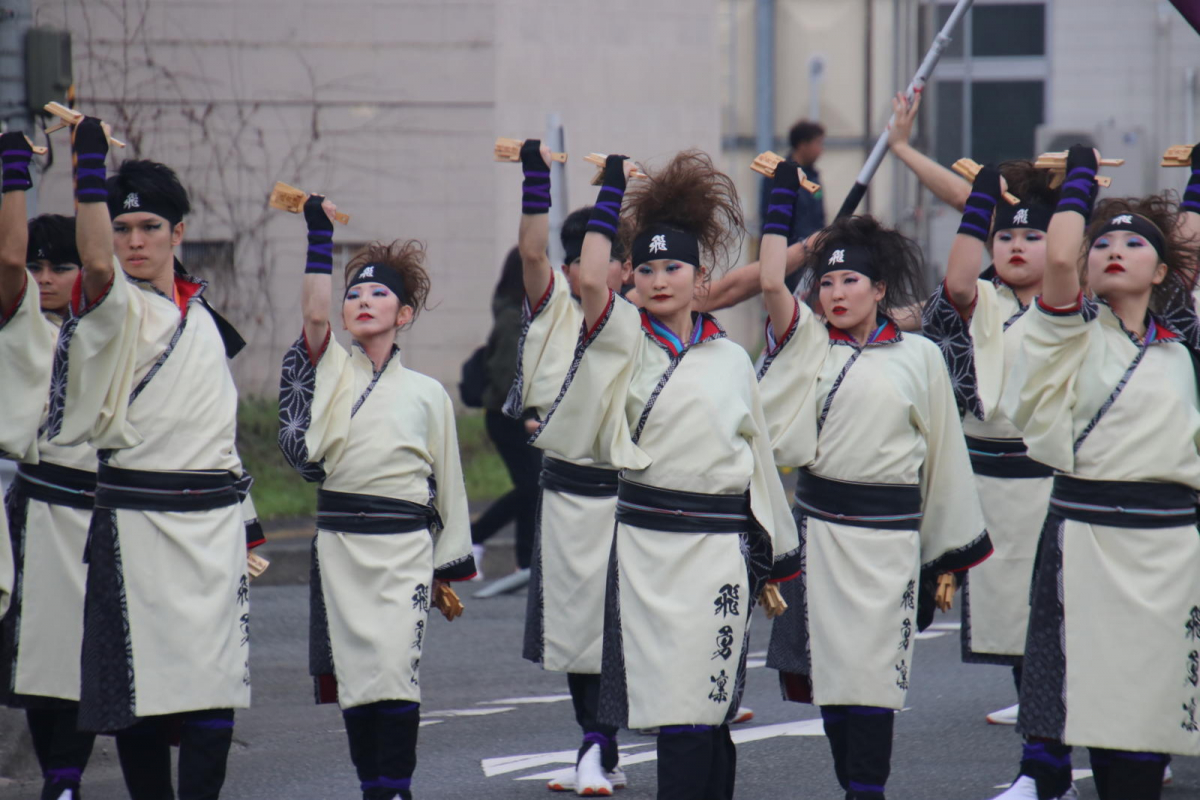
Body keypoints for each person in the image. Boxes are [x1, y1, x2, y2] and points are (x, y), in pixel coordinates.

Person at [530, 150, 800, 800]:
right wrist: (614, 191)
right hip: (647, 551)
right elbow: (593, 279)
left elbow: (759, 462)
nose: (657, 279)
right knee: (676, 713)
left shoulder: (731, 359)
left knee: (709, 712)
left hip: (717, 555)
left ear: (700, 274)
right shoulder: (619, 337)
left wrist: (777, 558)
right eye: (644, 268)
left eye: (671, 267)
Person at [757, 162, 992, 800]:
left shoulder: (920, 356)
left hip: (890, 541)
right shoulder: (806, 343)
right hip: (823, 535)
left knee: (878, 680)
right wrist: (780, 204)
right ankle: (853, 784)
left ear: (878, 287)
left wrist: (944, 553)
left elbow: (944, 455)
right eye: (827, 282)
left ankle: (868, 789)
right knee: (833, 681)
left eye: (850, 280)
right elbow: (774, 281)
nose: (836, 293)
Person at [55, 118, 255, 800]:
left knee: (214, 685)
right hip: (135, 523)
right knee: (139, 692)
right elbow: (97, 264)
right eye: (122, 227)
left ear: (176, 232)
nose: (134, 240)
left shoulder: (202, 319)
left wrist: (251, 522)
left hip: (213, 529)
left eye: (148, 227)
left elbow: (221, 437)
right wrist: (85, 171)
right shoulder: (111, 305)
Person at [997, 146, 1200, 800]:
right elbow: (1058, 257)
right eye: (1101, 243)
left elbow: (1191, 244)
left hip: (1170, 546)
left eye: (1132, 244)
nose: (1114, 249)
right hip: (1085, 536)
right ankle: (1043, 772)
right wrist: (1078, 174)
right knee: (1096, 711)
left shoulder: (1183, 343)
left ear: (1163, 270)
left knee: (1146, 727)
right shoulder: (1070, 332)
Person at [278, 195, 475, 799]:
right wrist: (317, 238)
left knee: (396, 676)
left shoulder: (427, 393)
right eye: (354, 294)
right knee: (358, 680)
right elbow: (314, 318)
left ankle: (397, 786)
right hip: (340, 544)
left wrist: (447, 562)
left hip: (403, 551)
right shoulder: (331, 366)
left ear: (406, 314)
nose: (362, 302)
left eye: (378, 295)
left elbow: (449, 482)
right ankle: (373, 786)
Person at [505, 141, 631, 795]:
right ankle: (594, 741)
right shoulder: (551, 306)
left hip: (628, 495)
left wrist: (615, 195)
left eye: (603, 256)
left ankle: (607, 741)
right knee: (580, 630)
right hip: (564, 492)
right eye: (579, 255)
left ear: (625, 267)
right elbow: (531, 252)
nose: (588, 268)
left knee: (621, 628)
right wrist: (536, 177)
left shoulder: (641, 322)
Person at [920, 161, 1061, 728]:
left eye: (1033, 236)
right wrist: (982, 201)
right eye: (1005, 236)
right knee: (1010, 617)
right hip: (989, 481)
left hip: (1056, 482)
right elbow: (955, 283)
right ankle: (1041, 743)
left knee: (1067, 620)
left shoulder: (1074, 307)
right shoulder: (980, 300)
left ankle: (1108, 743)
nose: (1017, 246)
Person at [470, 246, 543, 595]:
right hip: (508, 417)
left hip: (511, 416)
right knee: (531, 486)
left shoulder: (517, 314)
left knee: (533, 487)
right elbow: (505, 377)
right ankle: (474, 542)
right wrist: (528, 411)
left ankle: (525, 563)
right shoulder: (514, 318)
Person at [760, 120, 826, 246]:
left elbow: (819, 219)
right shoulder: (777, 176)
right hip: (785, 252)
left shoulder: (814, 178)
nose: (821, 150)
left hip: (811, 252)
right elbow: (770, 218)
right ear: (802, 145)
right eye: (817, 143)